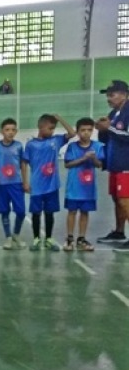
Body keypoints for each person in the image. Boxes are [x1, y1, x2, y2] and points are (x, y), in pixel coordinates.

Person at [22, 113, 76, 251]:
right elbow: (24, 163)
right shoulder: (31, 144)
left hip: (52, 185)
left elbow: (72, 133)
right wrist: (25, 182)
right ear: (40, 127)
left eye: (53, 128)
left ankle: (49, 239)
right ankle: (36, 239)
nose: (52, 131)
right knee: (36, 213)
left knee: (49, 213)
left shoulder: (56, 140)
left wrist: (59, 118)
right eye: (50, 128)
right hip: (37, 185)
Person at [62, 117, 105, 251]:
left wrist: (93, 158)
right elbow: (67, 164)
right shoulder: (72, 147)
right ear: (78, 131)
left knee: (85, 212)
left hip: (88, 188)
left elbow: (100, 165)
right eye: (83, 130)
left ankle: (81, 238)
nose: (86, 133)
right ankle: (69, 238)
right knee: (72, 212)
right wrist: (83, 158)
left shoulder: (98, 146)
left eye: (89, 130)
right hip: (74, 187)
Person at [96, 80, 129, 249]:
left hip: (126, 164)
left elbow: (126, 136)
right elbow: (107, 138)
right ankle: (119, 231)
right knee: (117, 199)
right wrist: (102, 130)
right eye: (107, 95)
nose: (108, 98)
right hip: (115, 164)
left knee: (125, 200)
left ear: (124, 95)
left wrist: (108, 128)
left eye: (112, 94)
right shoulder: (113, 114)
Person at [0, 118, 27, 250]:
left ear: (16, 131)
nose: (10, 132)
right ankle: (8, 236)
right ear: (1, 131)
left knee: (21, 212)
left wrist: (25, 181)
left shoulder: (18, 146)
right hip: (2, 184)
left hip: (16, 183)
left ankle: (16, 234)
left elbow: (22, 164)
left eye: (13, 130)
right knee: (4, 211)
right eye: (7, 130)